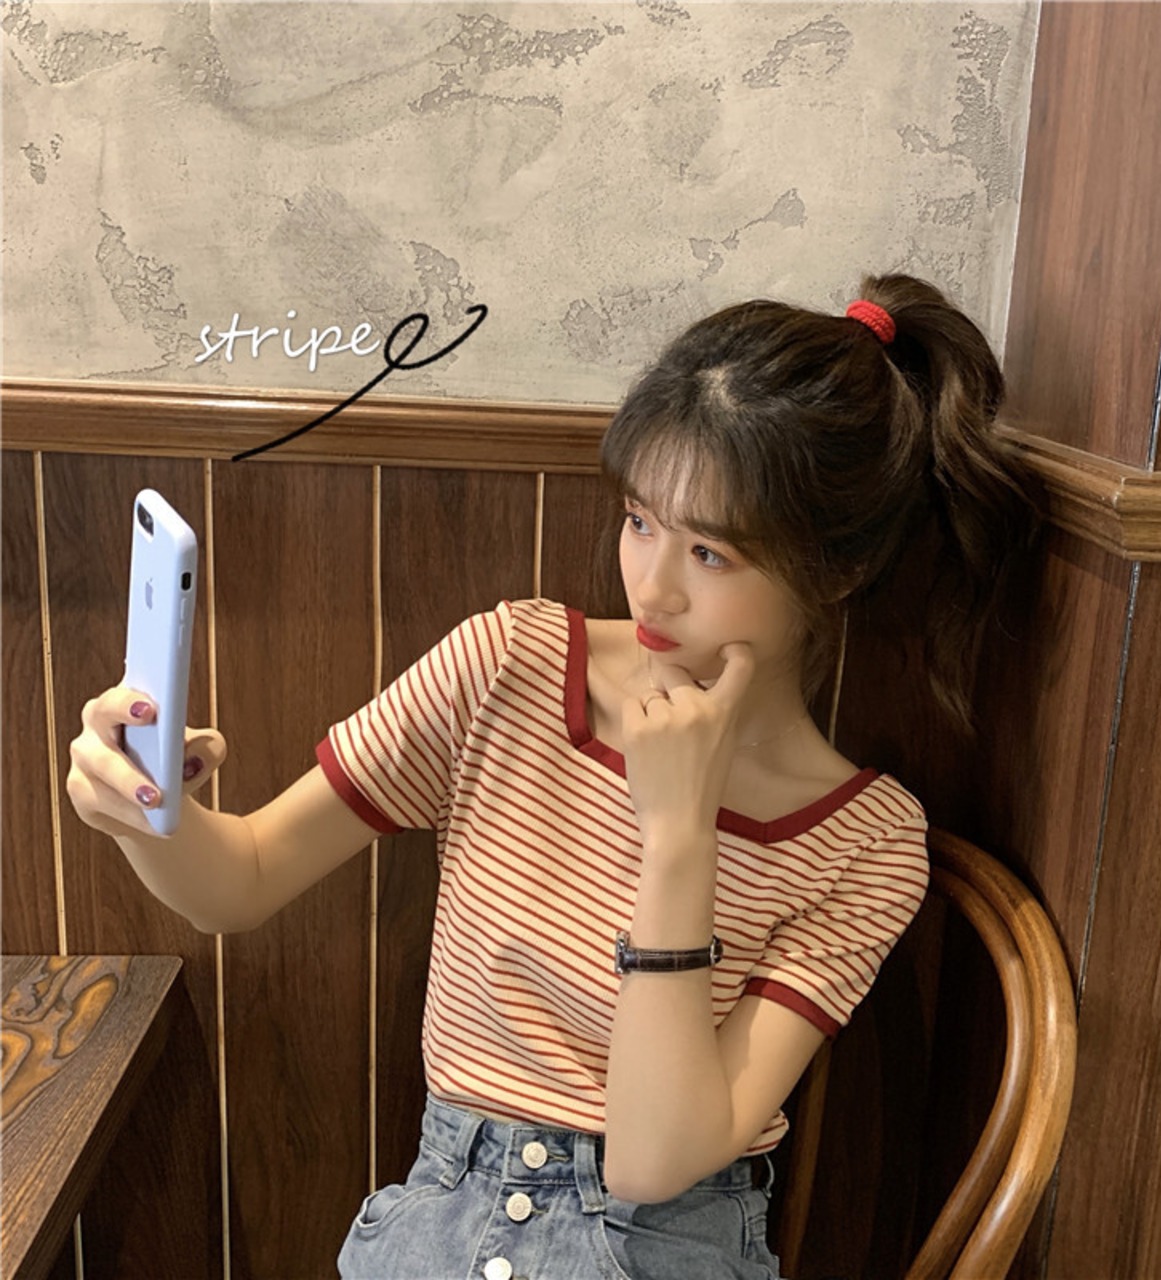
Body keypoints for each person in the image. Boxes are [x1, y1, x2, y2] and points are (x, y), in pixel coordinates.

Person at [67, 274, 1038, 1279]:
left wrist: (678, 836)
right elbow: (241, 878)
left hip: (667, 1243)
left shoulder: (863, 841)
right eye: (640, 520)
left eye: (710, 552)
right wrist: (145, 807)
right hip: (446, 1220)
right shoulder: (511, 667)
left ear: (835, 571)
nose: (652, 584)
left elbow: (654, 1160)